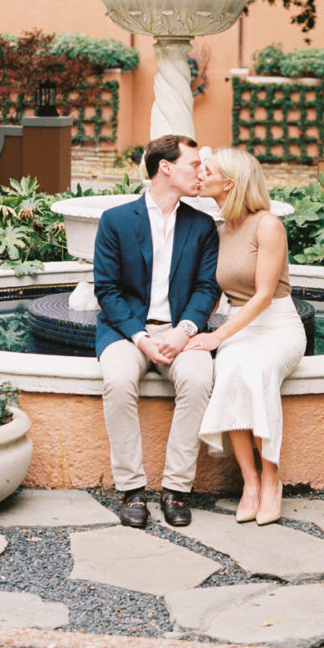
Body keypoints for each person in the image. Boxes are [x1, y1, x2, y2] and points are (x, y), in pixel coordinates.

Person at [93, 134, 219, 529]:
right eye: (194, 164)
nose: (201, 171)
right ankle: (132, 491)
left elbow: (207, 288)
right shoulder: (116, 221)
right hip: (126, 331)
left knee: (199, 378)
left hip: (182, 331)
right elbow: (107, 290)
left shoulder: (202, 226)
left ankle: (175, 489)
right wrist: (141, 338)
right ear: (166, 167)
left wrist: (183, 331)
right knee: (116, 380)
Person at [191, 148, 306, 526]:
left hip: (277, 326)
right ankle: (250, 482)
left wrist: (216, 336)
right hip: (241, 325)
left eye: (207, 170)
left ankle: (272, 478)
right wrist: (183, 328)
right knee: (230, 370)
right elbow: (216, 293)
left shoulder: (268, 224)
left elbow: (263, 296)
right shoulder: (221, 230)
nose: (199, 174)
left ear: (230, 183)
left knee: (256, 368)